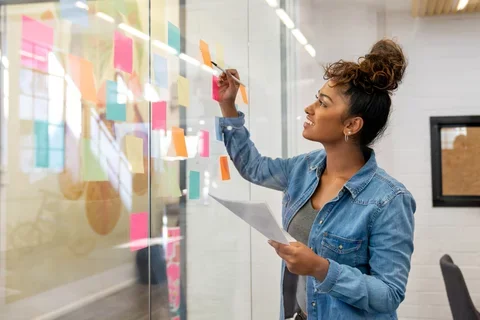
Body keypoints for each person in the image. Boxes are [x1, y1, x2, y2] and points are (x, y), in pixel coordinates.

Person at [215, 39, 416, 320]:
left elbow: (389, 294)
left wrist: (321, 268)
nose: (310, 108)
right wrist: (228, 106)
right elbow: (254, 168)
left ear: (351, 125)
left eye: (322, 103)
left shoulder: (389, 199)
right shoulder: (304, 168)